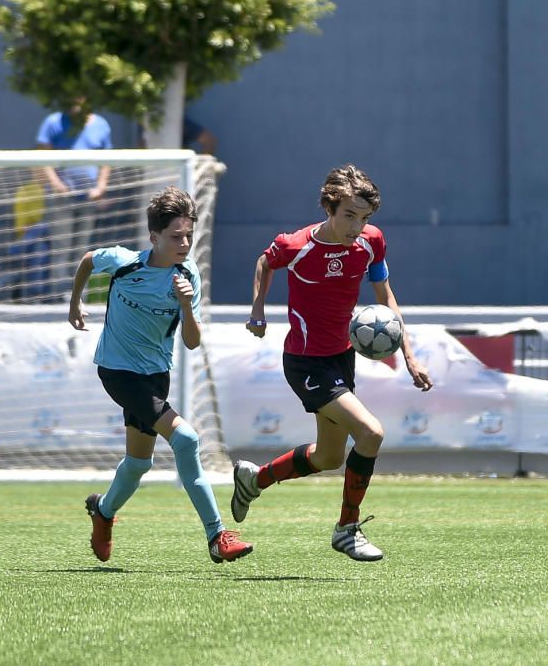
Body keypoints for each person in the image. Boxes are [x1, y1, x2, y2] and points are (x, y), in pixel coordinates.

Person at [231, 164, 433, 562]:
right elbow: (264, 263)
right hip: (306, 362)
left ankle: (254, 479)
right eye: (349, 216)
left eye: (364, 218)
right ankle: (346, 529)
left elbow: (385, 297)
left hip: (342, 358)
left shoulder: (372, 242)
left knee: (328, 457)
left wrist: (409, 355)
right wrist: (257, 310)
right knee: (371, 433)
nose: (357, 226)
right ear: (329, 208)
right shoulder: (296, 245)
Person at [68, 187, 253, 564]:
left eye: (189, 236)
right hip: (118, 372)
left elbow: (192, 341)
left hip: (156, 374)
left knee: (139, 463)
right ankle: (217, 536)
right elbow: (88, 260)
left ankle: (102, 511)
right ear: (153, 236)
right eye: (175, 237)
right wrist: (75, 302)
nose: (184, 243)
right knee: (185, 438)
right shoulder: (124, 262)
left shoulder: (188, 275)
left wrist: (186, 304)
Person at [37, 97, 112, 295]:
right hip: (62, 198)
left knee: (82, 248)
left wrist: (101, 186)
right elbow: (42, 157)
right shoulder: (53, 122)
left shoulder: (101, 124)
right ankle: (58, 296)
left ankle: (79, 295)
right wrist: (57, 185)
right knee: (61, 246)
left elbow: (107, 160)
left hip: (88, 198)